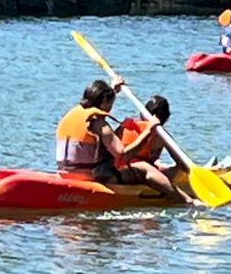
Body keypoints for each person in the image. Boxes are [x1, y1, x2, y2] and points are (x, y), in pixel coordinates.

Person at [55, 80, 195, 203]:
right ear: (104, 102)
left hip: (66, 173)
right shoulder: (100, 125)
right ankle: (187, 200)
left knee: (152, 165)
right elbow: (122, 155)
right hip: (93, 176)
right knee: (144, 168)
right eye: (110, 102)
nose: (111, 108)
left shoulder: (75, 113)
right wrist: (148, 131)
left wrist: (112, 90)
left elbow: (100, 101)